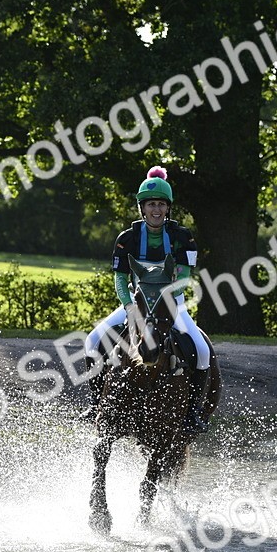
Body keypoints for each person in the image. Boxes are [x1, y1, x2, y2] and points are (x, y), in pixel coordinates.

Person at [83, 166, 212, 433]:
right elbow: (120, 278)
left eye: (161, 204)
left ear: (168, 208)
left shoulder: (182, 237)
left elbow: (184, 277)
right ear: (142, 208)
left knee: (201, 351)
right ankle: (96, 404)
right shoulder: (127, 238)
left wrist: (165, 302)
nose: (156, 209)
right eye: (151, 204)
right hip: (135, 303)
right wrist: (129, 306)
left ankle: (192, 414)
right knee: (93, 341)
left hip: (171, 303)